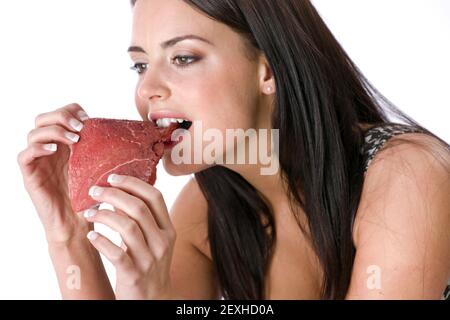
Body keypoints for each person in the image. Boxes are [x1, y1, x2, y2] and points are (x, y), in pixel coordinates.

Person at [17, 0, 450, 300]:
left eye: (183, 58)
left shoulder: (409, 176)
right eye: (140, 65)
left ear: (267, 69)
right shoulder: (205, 209)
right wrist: (69, 237)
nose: (147, 89)